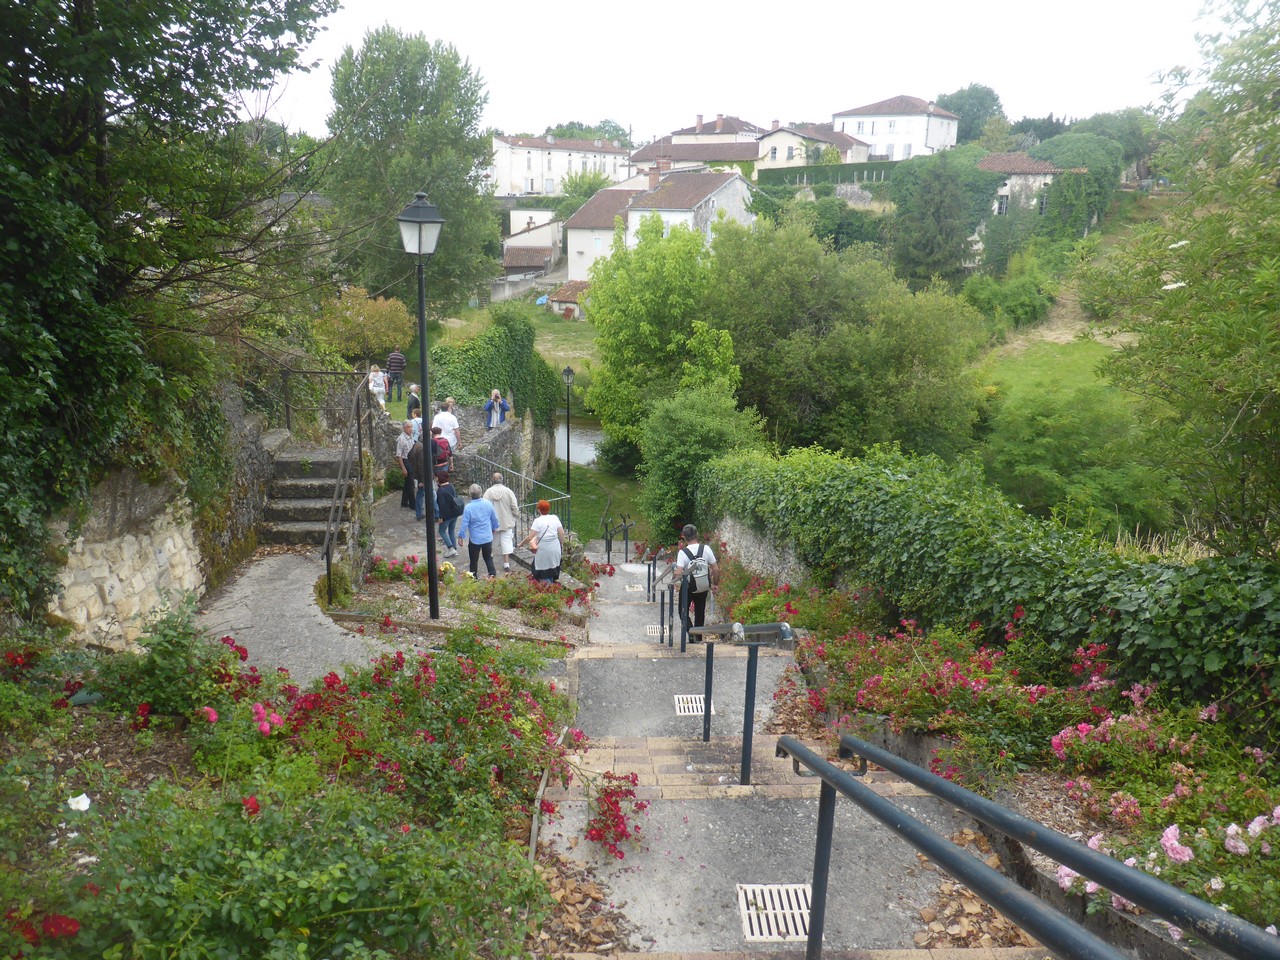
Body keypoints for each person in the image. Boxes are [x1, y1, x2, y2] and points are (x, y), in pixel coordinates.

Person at [673, 524, 720, 637]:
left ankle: (691, 633)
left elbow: (679, 572)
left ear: (684, 537)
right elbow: (716, 569)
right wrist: (715, 584)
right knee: (700, 613)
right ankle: (698, 637)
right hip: (703, 585)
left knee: (682, 612)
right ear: (696, 535)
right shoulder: (706, 549)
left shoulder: (683, 553)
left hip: (688, 586)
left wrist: (675, 580)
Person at [460, 483, 499, 578]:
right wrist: (494, 528)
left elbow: (464, 523)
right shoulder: (488, 504)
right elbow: (494, 519)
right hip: (487, 537)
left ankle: (473, 578)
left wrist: (461, 536)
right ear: (481, 493)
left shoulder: (468, 507)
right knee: (488, 557)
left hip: (475, 539)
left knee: (473, 560)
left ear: (470, 495)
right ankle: (492, 574)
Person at [520, 500, 564, 582]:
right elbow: (561, 533)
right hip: (555, 546)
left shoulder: (538, 521)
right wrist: (561, 544)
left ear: (539, 510)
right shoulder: (555, 518)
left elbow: (530, 537)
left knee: (543, 569)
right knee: (553, 567)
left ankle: (547, 588)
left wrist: (521, 544)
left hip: (544, 549)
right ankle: (551, 586)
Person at [483, 472, 519, 573]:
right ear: (502, 479)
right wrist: (515, 516)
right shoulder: (508, 491)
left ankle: (491, 562)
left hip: (492, 523)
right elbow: (514, 506)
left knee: (492, 543)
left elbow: (484, 507)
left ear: (492, 480)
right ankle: (506, 563)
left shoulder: (488, 492)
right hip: (506, 521)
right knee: (506, 542)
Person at [435, 472, 463, 557]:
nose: (435, 480)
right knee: (451, 530)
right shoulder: (451, 486)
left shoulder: (440, 491)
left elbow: (441, 505)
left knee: (442, 531)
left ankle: (451, 548)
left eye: (436, 478)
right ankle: (454, 548)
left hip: (447, 515)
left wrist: (441, 517)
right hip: (454, 513)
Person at [396, 420, 416, 510]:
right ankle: (413, 504)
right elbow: (399, 455)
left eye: (411, 427)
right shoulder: (401, 439)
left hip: (412, 460)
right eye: (408, 427)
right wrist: (403, 468)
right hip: (406, 460)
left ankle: (404, 502)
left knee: (408, 483)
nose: (410, 429)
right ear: (404, 428)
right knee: (411, 483)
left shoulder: (411, 436)